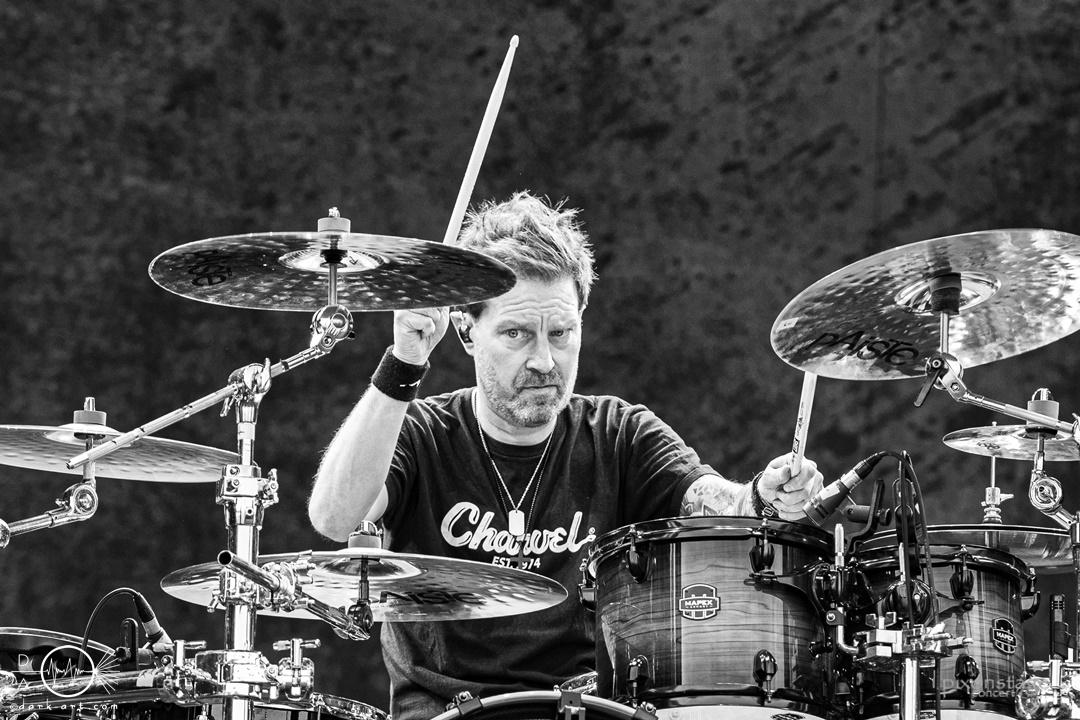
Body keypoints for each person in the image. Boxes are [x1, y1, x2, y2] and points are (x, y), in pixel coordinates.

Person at [308, 191, 825, 720]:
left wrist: (762, 497)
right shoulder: (420, 432)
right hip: (446, 714)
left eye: (560, 333)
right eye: (516, 333)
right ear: (466, 330)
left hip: (586, 710)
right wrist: (404, 363)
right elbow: (333, 517)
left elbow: (715, 502)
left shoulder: (619, 433)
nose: (543, 359)